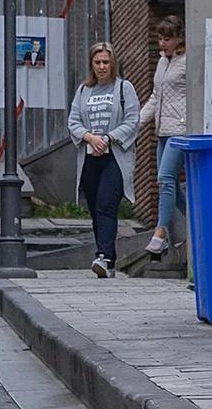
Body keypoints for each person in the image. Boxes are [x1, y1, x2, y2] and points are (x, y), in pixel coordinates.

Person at [65, 42, 141, 276]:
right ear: (91, 64)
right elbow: (73, 122)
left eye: (106, 62)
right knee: (95, 207)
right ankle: (106, 259)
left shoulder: (124, 88)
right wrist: (89, 137)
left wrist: (108, 138)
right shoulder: (83, 90)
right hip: (89, 157)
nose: (101, 66)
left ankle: (104, 257)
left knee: (106, 204)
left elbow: (132, 120)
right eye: (97, 62)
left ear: (113, 63)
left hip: (114, 157)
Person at [141, 14, 189, 259]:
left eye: (167, 39)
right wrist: (137, 122)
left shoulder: (187, 61)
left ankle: (160, 233)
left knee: (165, 178)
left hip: (180, 130)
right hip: (162, 130)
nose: (162, 43)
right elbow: (155, 96)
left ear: (179, 38)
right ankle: (198, 220)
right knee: (170, 187)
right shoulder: (162, 61)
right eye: (160, 38)